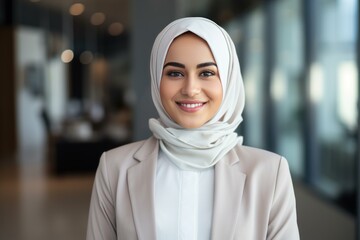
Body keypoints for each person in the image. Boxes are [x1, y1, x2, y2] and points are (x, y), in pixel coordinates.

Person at [86, 17, 300, 240]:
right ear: (157, 79)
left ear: (228, 81)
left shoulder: (270, 172)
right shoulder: (114, 169)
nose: (190, 89)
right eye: (175, 73)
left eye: (207, 73)